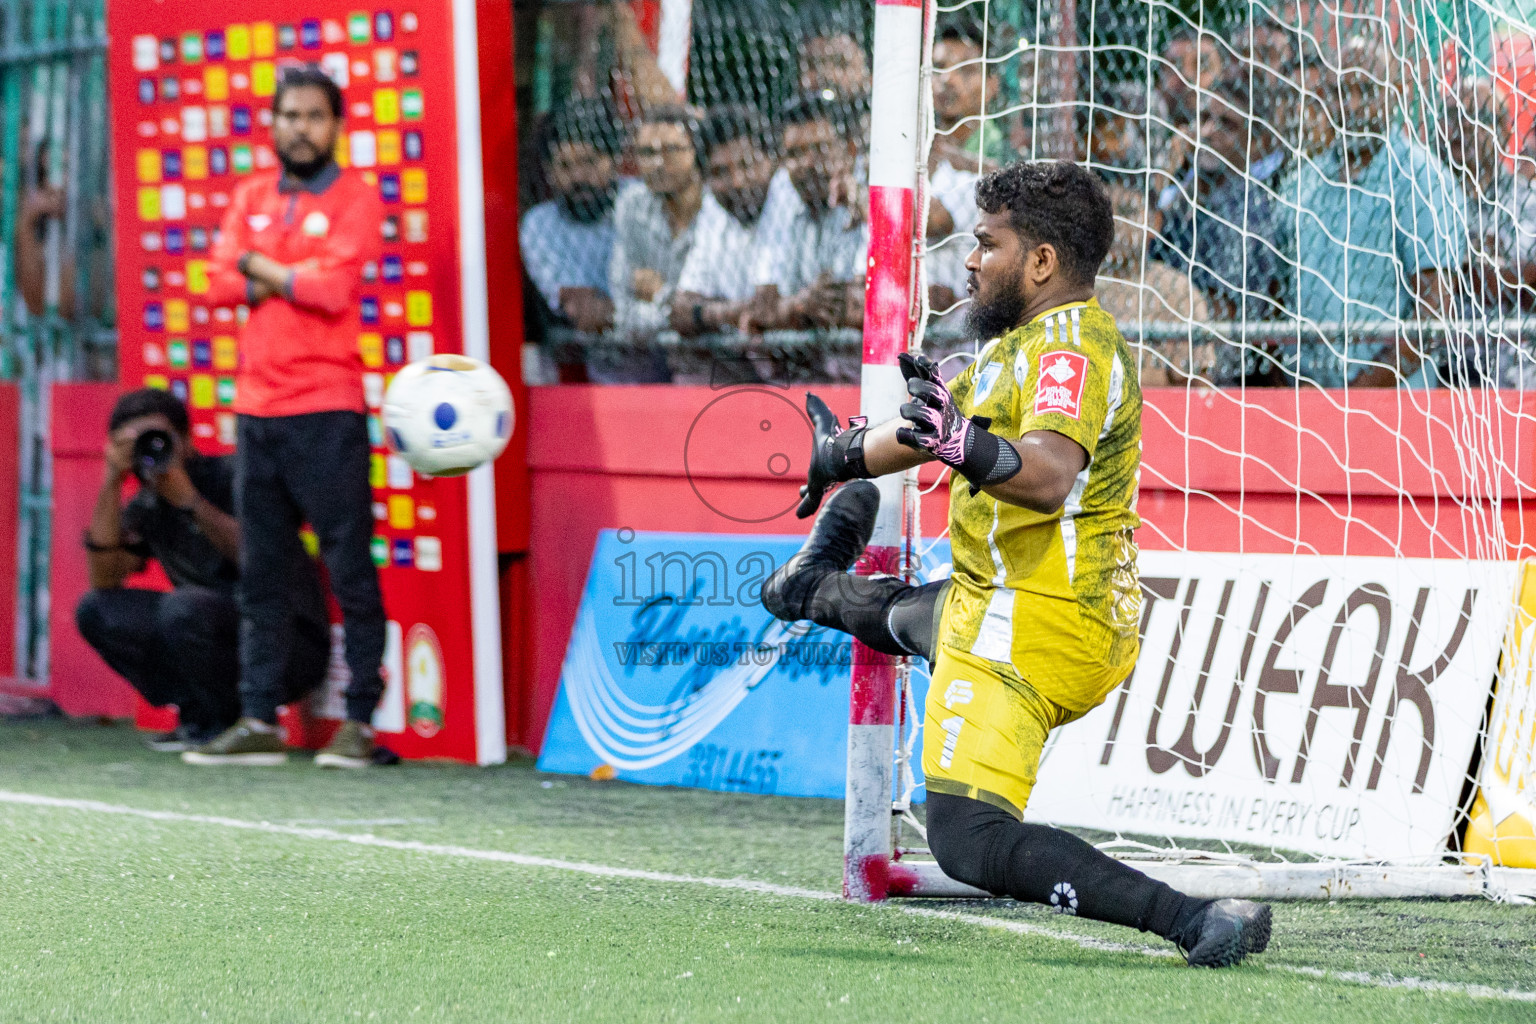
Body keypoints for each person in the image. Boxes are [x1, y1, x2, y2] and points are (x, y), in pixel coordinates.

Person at [761, 160, 1272, 967]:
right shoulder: (1019, 347)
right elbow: (930, 432)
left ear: (1040, 261)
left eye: (985, 244)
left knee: (966, 840)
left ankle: (1192, 918)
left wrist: (959, 443)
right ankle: (806, 585)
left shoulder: (1070, 348)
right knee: (917, 617)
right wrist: (841, 455)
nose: (970, 261)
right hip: (1020, 600)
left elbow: (1046, 474)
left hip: (1036, 620)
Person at [191, 64, 388, 768]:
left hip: (326, 409)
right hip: (256, 411)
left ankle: (360, 722)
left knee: (349, 569)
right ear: (272, 124)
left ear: (335, 126)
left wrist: (256, 263)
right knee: (262, 574)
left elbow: (331, 291)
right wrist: (285, 273)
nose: (300, 129)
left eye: (313, 116)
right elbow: (215, 283)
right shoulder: (250, 193)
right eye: (289, 116)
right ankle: (257, 718)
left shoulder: (357, 197)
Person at [75, 390, 328, 751]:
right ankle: (199, 712)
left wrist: (190, 501)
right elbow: (104, 580)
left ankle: (223, 719)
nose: (152, 451)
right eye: (137, 443)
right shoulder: (147, 503)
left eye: (159, 439)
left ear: (187, 440)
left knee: (183, 608)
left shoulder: (235, 477)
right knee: (97, 611)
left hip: (288, 644)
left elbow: (261, 560)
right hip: (212, 627)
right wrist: (112, 480)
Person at [1275, 36, 1465, 388]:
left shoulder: (1421, 178)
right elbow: (1278, 297)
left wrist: (1358, 396)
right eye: (1339, 92)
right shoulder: (1303, 181)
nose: (1351, 105)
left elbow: (1435, 310)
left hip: (1394, 402)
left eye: (1365, 90)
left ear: (1395, 94)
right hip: (1307, 400)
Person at [743, 93, 869, 377]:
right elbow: (761, 306)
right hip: (807, 368)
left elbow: (862, 308)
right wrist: (800, 305)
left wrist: (789, 310)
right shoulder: (784, 187)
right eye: (795, 154)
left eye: (820, 149)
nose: (808, 163)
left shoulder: (871, 185)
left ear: (849, 151)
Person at [1154, 77, 1285, 326]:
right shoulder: (1177, 197)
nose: (1209, 132)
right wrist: (1161, 176)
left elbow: (1225, 308)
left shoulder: (1251, 211)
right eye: (1204, 118)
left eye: (1227, 125)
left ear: (1253, 142)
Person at [602, 104, 708, 381]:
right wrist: (682, 313)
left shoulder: (716, 206)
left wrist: (659, 294)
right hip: (649, 362)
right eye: (647, 153)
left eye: (671, 150)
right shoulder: (632, 205)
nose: (658, 163)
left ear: (696, 152)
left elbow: (718, 315)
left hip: (717, 363)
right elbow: (623, 311)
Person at [519, 97, 624, 339]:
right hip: (583, 357)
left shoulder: (640, 202)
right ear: (549, 172)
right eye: (565, 166)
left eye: (589, 162)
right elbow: (585, 311)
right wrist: (651, 311)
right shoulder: (540, 225)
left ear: (614, 162)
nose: (578, 177)